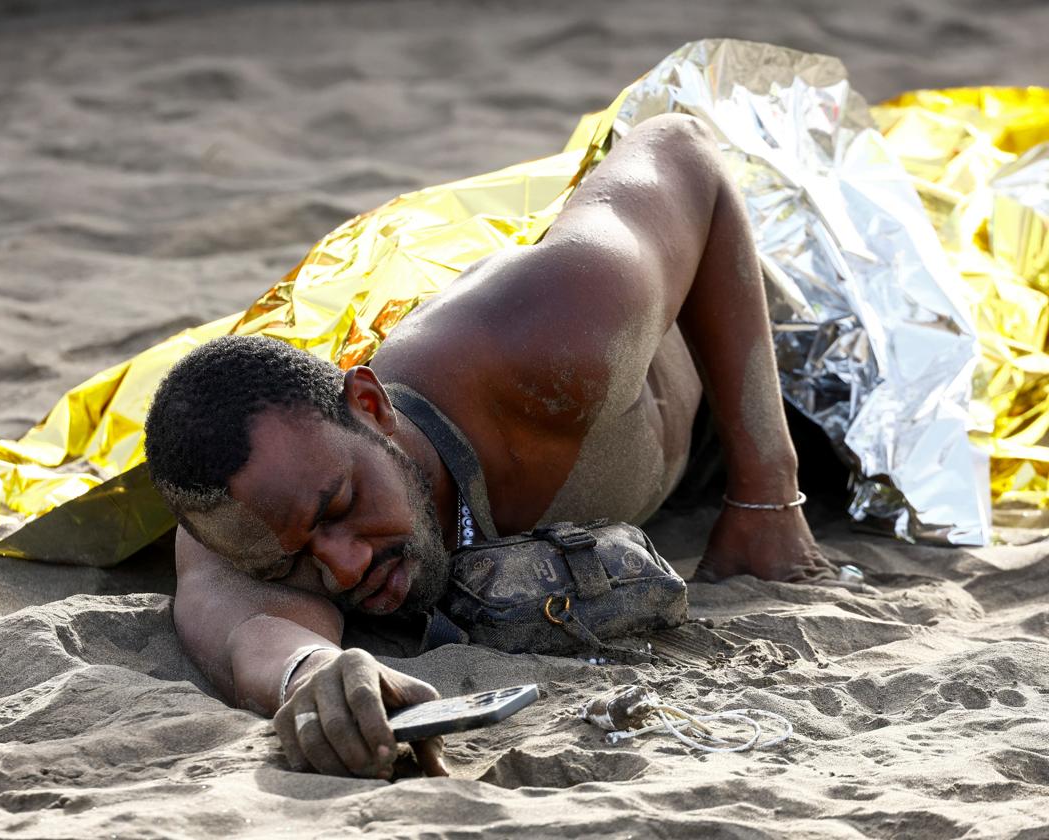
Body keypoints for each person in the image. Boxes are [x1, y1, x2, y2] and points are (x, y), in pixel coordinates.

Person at [143, 114, 837, 781]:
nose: (346, 567)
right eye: (288, 562)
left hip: (757, 342)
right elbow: (248, 631)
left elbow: (685, 151)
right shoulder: (244, 519)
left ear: (371, 407)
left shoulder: (548, 335)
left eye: (342, 505)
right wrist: (315, 672)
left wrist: (767, 495)